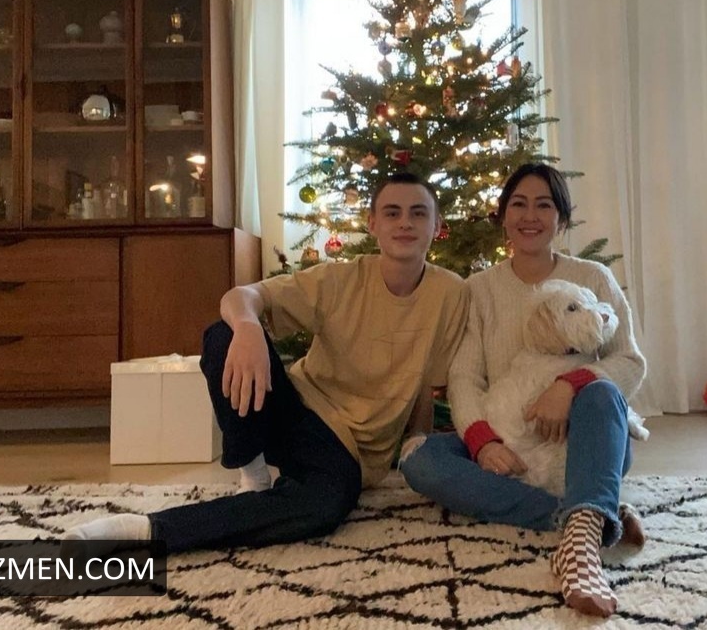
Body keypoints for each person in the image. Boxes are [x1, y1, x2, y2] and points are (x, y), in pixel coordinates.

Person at [64, 173, 468, 554]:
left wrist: (416, 451)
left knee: (321, 508)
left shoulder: (450, 293)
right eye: (393, 212)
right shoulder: (339, 280)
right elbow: (241, 296)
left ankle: (144, 531)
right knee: (223, 336)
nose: (405, 223)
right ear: (373, 223)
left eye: (418, 213)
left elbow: (425, 387)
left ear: (436, 225)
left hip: (347, 455)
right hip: (294, 409)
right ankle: (251, 471)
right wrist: (248, 328)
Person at [399, 163, 647, 618]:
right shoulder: (479, 290)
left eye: (544, 205)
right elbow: (465, 377)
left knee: (603, 395)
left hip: (582, 440)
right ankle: (584, 514)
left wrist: (569, 385)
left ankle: (580, 547)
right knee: (420, 459)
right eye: (518, 204)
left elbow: (630, 362)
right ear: (503, 216)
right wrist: (483, 441)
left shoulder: (593, 278)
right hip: (508, 440)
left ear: (562, 219)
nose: (530, 216)